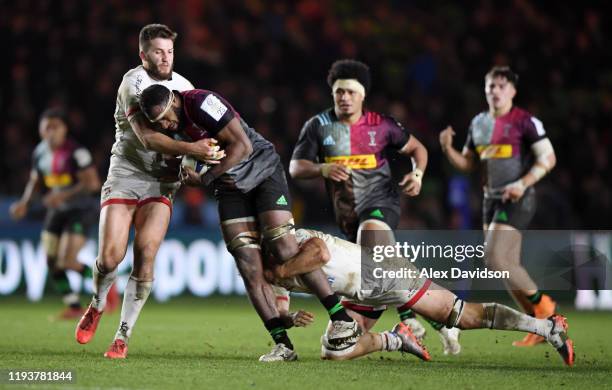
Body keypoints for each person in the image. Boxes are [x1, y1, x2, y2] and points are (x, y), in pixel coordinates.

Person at [139, 84, 361, 362]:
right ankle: (283, 345)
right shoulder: (172, 131)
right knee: (248, 264)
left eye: (166, 118)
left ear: (174, 101)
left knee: (284, 248)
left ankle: (341, 318)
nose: (166, 125)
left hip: (262, 169)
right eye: (158, 124)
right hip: (229, 186)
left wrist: (205, 179)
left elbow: (242, 145)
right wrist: (183, 172)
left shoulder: (201, 103)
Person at [74, 24, 221, 359]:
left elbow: (195, 134)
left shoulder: (185, 87)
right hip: (126, 173)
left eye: (169, 51)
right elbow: (147, 138)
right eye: (158, 51)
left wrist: (194, 159)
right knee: (110, 257)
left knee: (146, 254)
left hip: (162, 180)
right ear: (143, 54)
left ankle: (123, 335)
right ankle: (97, 304)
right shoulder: (132, 84)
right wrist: (195, 151)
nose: (165, 57)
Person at [265, 228, 574, 366]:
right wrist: (288, 318)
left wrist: (280, 271)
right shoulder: (273, 268)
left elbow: (319, 254)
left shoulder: (297, 241)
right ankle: (398, 338)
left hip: (385, 274)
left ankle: (547, 328)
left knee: (464, 317)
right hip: (361, 293)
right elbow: (280, 305)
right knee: (333, 350)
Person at [289, 59, 437, 343]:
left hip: (381, 201)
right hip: (346, 212)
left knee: (372, 239)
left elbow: (418, 148)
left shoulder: (381, 126)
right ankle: (415, 320)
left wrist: (417, 175)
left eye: (351, 92)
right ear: (332, 93)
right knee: (345, 332)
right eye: (339, 92)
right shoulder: (318, 126)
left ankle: (412, 318)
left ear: (363, 95)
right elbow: (296, 167)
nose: (344, 97)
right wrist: (322, 168)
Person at [439, 66, 558, 347]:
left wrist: (523, 183)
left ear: (513, 91)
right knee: (505, 265)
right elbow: (468, 163)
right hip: (490, 199)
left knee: (494, 258)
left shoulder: (525, 121)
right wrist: (447, 149)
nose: (495, 91)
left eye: (501, 86)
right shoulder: (478, 123)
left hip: (517, 197)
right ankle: (539, 325)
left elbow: (548, 158)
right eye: (491, 86)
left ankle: (545, 307)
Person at [10, 108, 111, 319]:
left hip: (81, 210)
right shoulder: (40, 153)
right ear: (40, 130)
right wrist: (24, 203)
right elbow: (35, 181)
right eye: (47, 127)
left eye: (55, 127)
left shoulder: (77, 152)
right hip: (57, 211)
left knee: (67, 260)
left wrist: (63, 195)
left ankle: (108, 286)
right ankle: (74, 307)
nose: (51, 132)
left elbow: (92, 184)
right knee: (51, 261)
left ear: (65, 129)